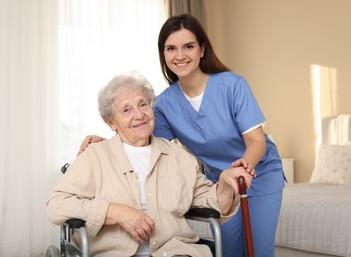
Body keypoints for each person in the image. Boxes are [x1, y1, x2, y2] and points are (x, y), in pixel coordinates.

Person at [78, 14, 285, 257]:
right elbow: (145, 140)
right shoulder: (165, 104)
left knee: (258, 250)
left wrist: (243, 167)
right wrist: (106, 142)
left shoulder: (232, 85)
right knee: (230, 250)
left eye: (189, 46)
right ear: (163, 55)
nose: (180, 55)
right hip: (220, 183)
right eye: (171, 48)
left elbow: (256, 141)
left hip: (258, 172)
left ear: (202, 49)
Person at [46, 71, 254, 257]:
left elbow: (212, 203)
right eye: (126, 110)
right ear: (110, 122)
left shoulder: (177, 155)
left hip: (174, 252)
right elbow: (56, 205)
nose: (139, 115)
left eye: (143, 104)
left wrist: (226, 184)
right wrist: (116, 212)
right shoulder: (95, 156)